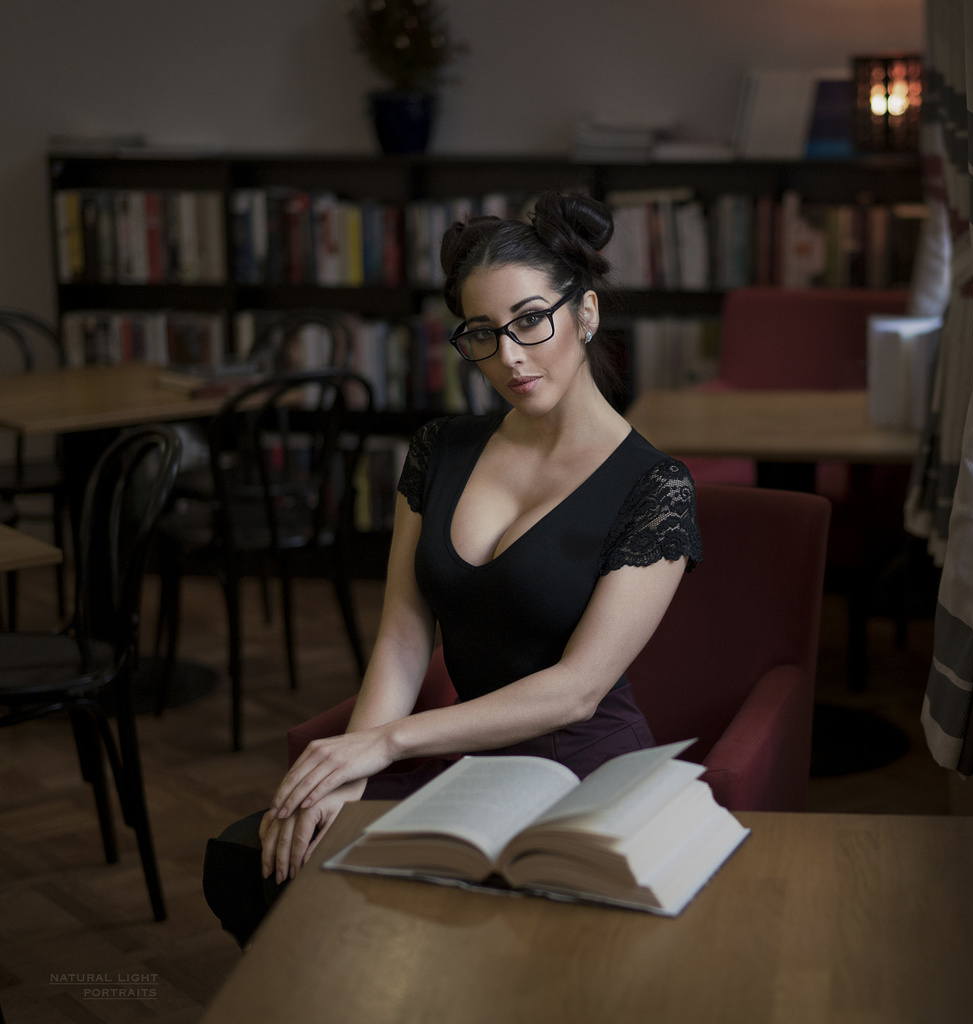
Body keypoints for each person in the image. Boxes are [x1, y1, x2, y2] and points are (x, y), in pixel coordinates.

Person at [202, 192, 703, 947]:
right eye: (481, 333)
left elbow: (577, 691)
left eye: (531, 319)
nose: (508, 356)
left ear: (586, 312)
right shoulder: (441, 449)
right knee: (261, 863)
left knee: (480, 931)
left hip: (583, 771)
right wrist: (352, 776)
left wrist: (388, 743)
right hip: (465, 765)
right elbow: (402, 641)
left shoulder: (655, 487)